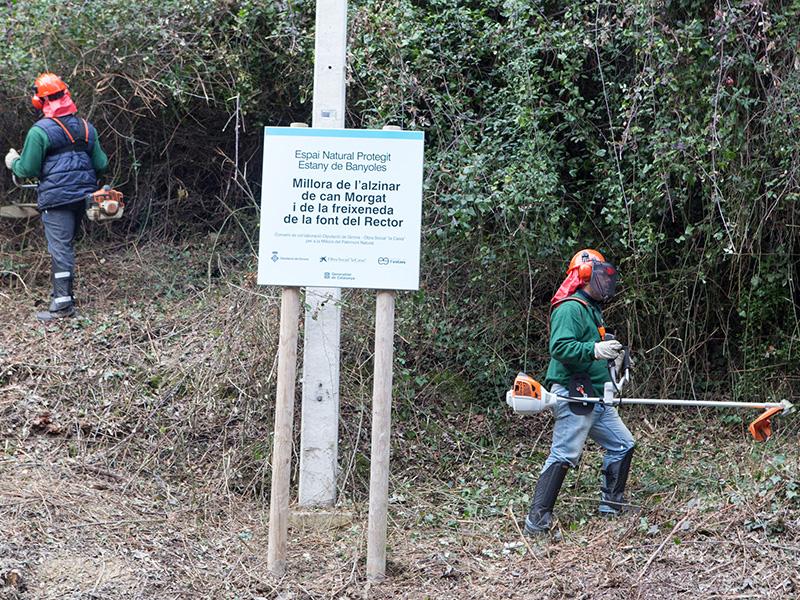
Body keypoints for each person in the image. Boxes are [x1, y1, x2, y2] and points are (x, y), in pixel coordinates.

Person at [524, 248, 635, 538]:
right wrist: (595, 349)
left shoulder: (591, 309)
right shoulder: (570, 307)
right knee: (563, 454)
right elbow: (559, 348)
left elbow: (594, 350)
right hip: (575, 394)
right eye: (600, 276)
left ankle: (611, 506)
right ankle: (537, 521)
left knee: (623, 444)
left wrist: (614, 355)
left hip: (597, 396)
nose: (606, 283)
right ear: (585, 276)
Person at [5, 72, 109, 321]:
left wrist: (14, 162)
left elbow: (28, 169)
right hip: (85, 198)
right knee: (66, 246)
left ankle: (62, 305)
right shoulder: (86, 127)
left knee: (60, 248)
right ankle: (64, 296)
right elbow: (102, 163)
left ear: (39, 101)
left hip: (57, 200)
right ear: (66, 95)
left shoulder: (39, 131)